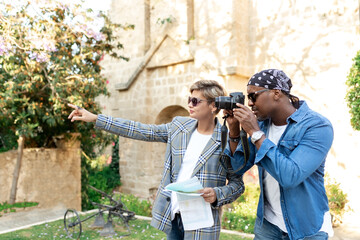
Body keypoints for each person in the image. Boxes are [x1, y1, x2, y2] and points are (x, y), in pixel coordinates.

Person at [68, 80, 245, 240]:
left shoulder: (228, 139)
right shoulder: (178, 126)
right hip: (173, 216)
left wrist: (217, 194)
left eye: (195, 101)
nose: (189, 105)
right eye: (189, 99)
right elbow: (140, 130)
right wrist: (96, 118)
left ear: (214, 106)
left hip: (202, 223)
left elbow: (237, 184)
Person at [224, 69, 334, 240]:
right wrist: (234, 131)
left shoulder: (317, 126)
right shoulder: (262, 124)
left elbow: (290, 176)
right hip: (268, 225)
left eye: (253, 96)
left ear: (276, 93)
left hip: (307, 228)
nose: (250, 103)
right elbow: (237, 168)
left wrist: (255, 133)